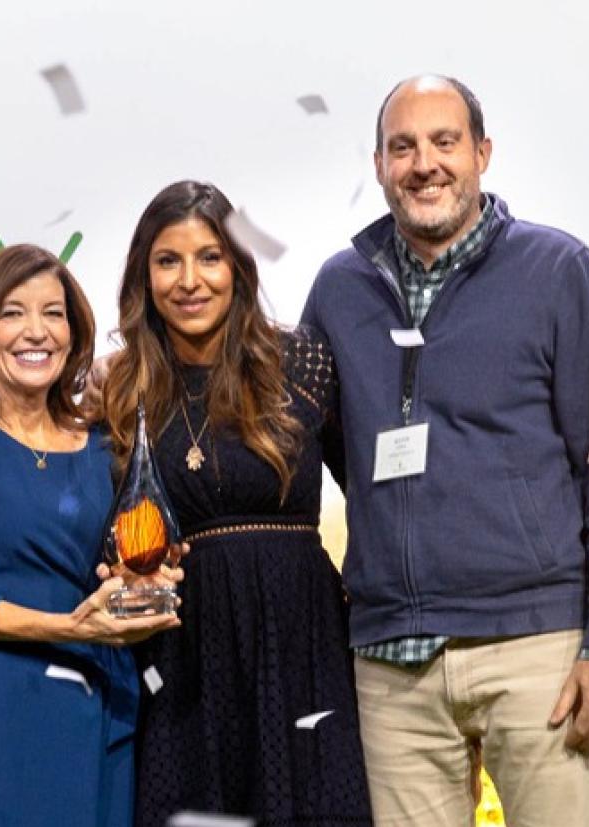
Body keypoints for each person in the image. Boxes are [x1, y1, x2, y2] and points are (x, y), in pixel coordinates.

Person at [301, 75, 589, 824]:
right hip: (391, 667)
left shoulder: (557, 270)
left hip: (538, 650)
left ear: (482, 153)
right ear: (378, 165)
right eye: (403, 147)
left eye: (444, 142)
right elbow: (316, 438)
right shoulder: (338, 289)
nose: (424, 163)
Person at [100, 181, 372, 826]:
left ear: (238, 268)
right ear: (144, 276)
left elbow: (370, 491)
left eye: (210, 257)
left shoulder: (301, 360)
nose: (189, 281)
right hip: (183, 657)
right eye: (168, 261)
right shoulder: (121, 385)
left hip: (301, 639)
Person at [0, 244, 181, 827]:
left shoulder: (104, 445)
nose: (37, 331)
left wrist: (144, 579)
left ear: (74, 333)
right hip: (0, 717)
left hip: (106, 709)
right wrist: (68, 628)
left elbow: (115, 563)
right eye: (13, 313)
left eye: (53, 313)